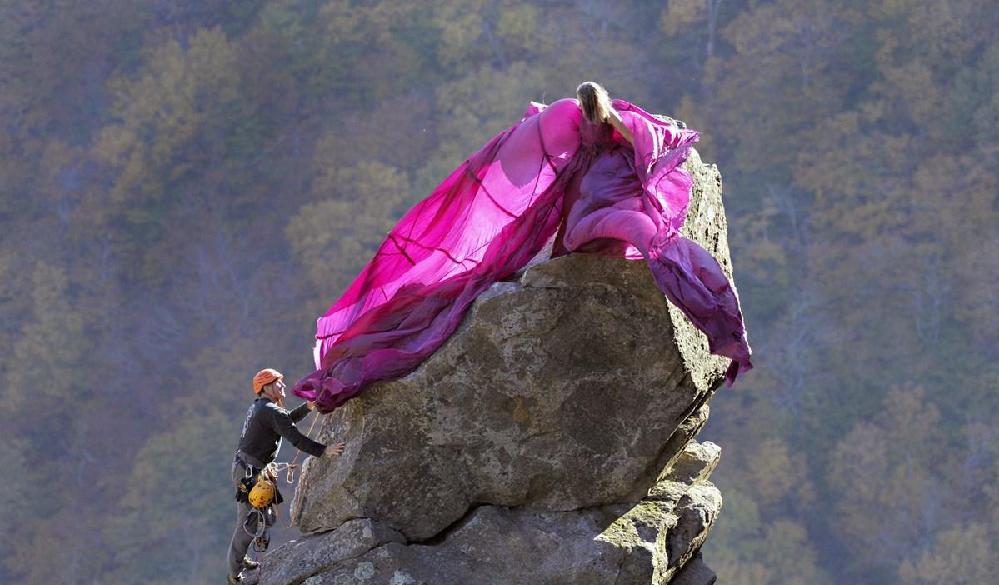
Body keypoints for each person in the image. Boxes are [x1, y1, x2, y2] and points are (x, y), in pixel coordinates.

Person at [291, 82, 752, 413]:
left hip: (595, 214)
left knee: (651, 242)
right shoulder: (579, 120)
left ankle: (718, 321)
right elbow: (527, 161)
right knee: (639, 240)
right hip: (586, 217)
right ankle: (721, 323)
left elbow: (644, 152)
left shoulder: (618, 126)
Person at [227, 368, 345, 584]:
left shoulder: (262, 408)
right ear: (267, 387)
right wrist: (324, 451)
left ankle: (240, 559)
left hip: (249, 469)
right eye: (278, 383)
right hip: (250, 472)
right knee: (249, 521)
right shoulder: (270, 410)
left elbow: (284, 421)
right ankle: (234, 574)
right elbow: (296, 438)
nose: (283, 386)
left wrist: (307, 408)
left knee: (265, 517)